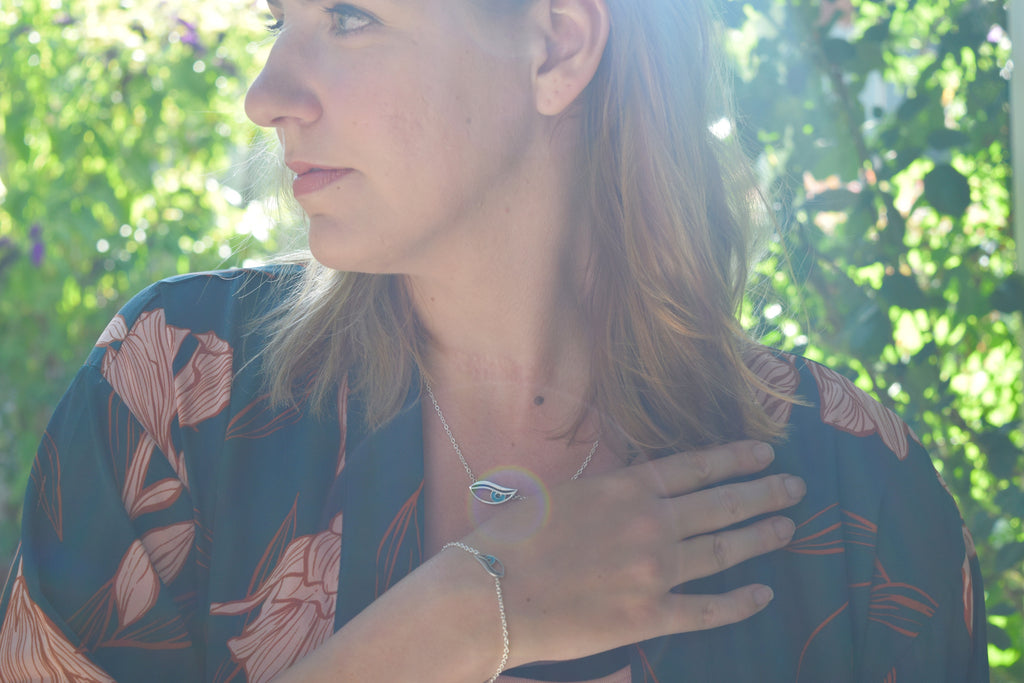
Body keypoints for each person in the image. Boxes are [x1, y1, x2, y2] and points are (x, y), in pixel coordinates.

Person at [0, 0, 987, 681]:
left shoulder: (851, 491)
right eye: (277, 20)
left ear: (555, 45)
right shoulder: (175, 393)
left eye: (348, 15)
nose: (266, 93)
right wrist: (467, 613)